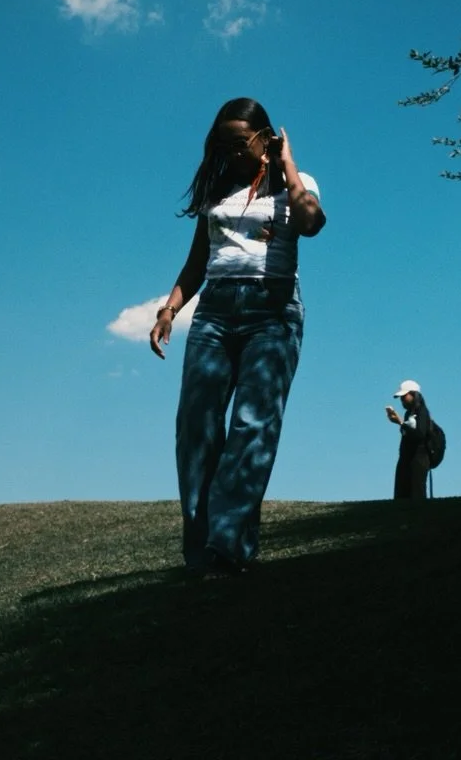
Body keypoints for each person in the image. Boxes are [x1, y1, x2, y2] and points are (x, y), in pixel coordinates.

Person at [149, 97, 326, 576]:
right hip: (214, 313)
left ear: (265, 139)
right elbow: (197, 262)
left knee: (252, 423)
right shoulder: (218, 193)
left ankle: (227, 546)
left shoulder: (298, 185)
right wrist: (169, 309)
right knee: (197, 427)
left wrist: (287, 163)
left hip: (272, 312)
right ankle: (201, 549)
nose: (230, 151)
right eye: (221, 143)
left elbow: (311, 223)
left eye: (239, 141)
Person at [385, 379, 433, 499]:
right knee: (401, 492)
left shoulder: (422, 412)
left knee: (416, 493)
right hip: (407, 457)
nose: (402, 400)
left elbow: (420, 434)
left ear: (414, 394)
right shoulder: (408, 414)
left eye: (404, 396)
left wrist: (401, 423)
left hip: (419, 459)